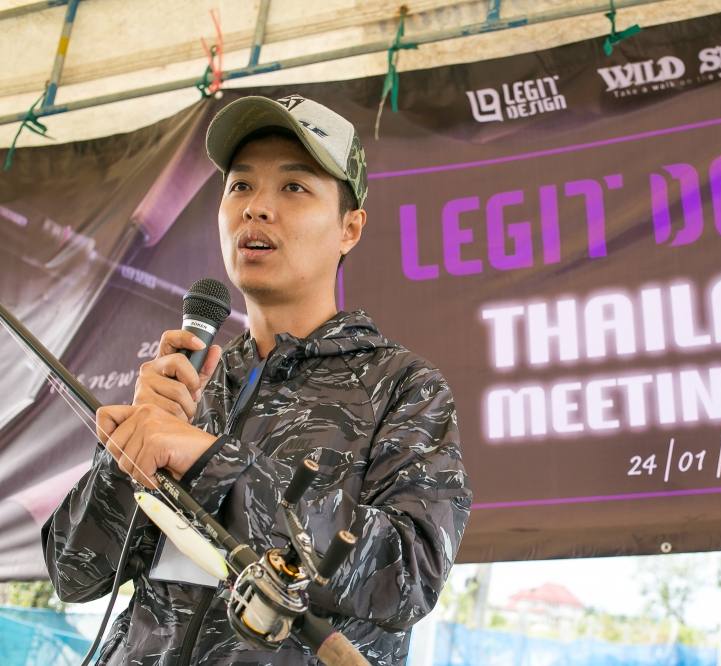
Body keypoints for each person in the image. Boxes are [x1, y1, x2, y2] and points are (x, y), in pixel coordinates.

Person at [42, 93, 472, 665]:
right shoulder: (195, 386)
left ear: (350, 228)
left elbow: (409, 575)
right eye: (240, 186)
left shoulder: (402, 386)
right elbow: (73, 574)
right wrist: (128, 453)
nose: (257, 208)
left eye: (294, 187)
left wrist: (211, 462)